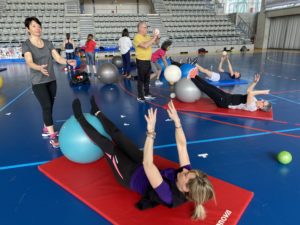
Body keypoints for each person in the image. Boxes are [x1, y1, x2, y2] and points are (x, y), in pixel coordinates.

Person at [72, 97, 215, 220]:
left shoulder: (169, 196)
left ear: (185, 190)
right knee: (118, 135)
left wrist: (151, 132)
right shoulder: (190, 177)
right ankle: (96, 112)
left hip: (130, 176)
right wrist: (177, 122)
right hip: (142, 164)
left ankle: (80, 119)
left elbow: (148, 164)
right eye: (187, 172)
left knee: (107, 145)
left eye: (185, 175)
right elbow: (182, 146)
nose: (183, 171)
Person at [22, 17, 76, 148]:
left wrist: (68, 61)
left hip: (51, 79)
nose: (37, 28)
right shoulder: (26, 44)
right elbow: (29, 61)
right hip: (38, 81)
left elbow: (57, 57)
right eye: (34, 26)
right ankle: (52, 136)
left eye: (38, 25)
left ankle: (46, 128)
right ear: (28, 29)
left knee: (50, 105)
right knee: (46, 106)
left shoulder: (47, 42)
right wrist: (39, 67)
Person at [189, 73, 272, 112]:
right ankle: (195, 75)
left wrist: (263, 91)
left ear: (261, 107)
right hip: (227, 96)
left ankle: (190, 77)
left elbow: (250, 93)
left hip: (224, 102)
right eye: (263, 100)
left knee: (206, 89)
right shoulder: (254, 99)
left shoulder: (252, 107)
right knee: (209, 86)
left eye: (263, 102)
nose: (261, 100)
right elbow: (249, 91)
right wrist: (255, 82)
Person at [133, 22, 160, 102]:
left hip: (148, 60)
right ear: (140, 28)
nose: (146, 29)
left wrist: (157, 37)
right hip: (141, 61)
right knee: (141, 79)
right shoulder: (137, 37)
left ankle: (147, 94)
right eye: (144, 27)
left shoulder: (147, 36)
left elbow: (157, 43)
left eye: (146, 27)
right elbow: (145, 46)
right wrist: (154, 37)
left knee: (147, 79)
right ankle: (140, 96)